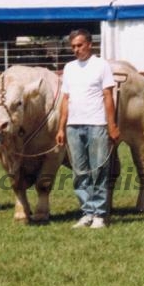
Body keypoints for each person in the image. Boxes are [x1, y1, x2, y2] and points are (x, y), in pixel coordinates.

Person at [56, 29, 120, 229]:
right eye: (73, 46)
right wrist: (61, 128)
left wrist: (112, 126)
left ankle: (100, 214)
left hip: (97, 124)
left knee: (99, 169)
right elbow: (65, 99)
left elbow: (108, 97)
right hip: (73, 127)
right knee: (79, 171)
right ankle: (87, 212)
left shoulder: (101, 66)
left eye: (80, 45)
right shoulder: (69, 68)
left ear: (89, 44)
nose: (76, 49)